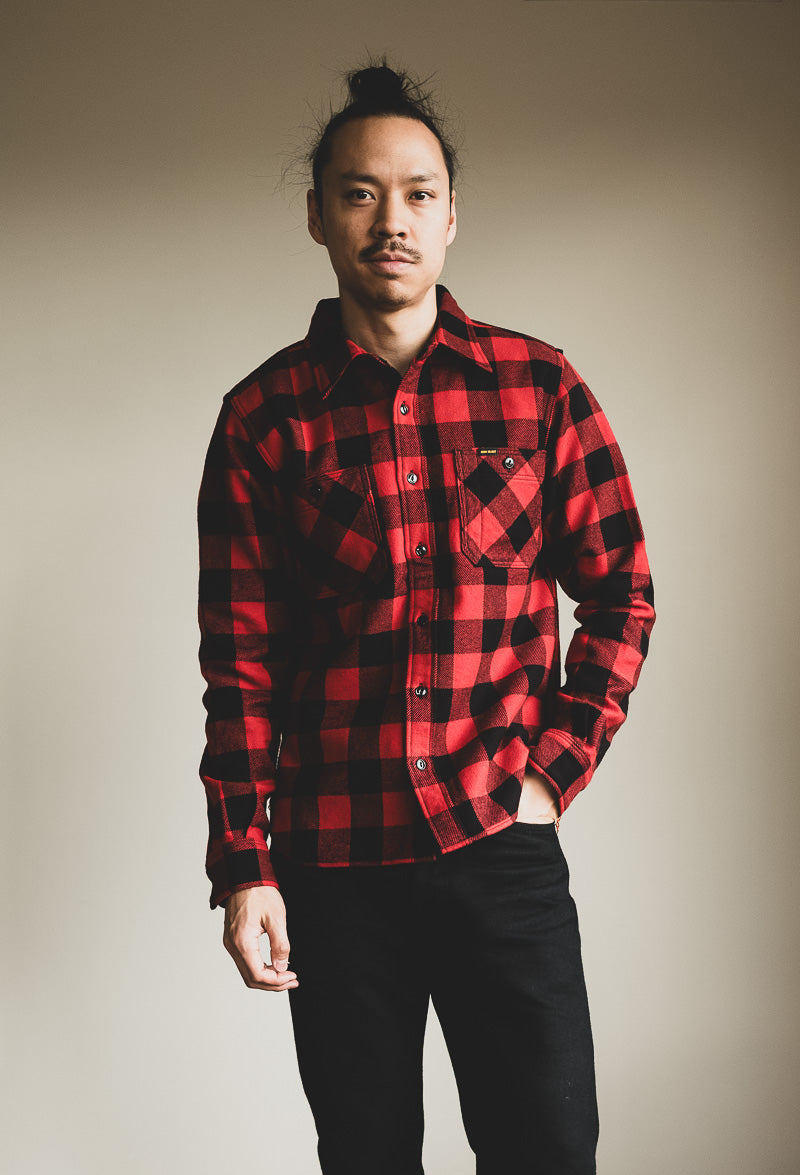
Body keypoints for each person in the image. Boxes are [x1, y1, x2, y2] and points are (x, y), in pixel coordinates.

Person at [197, 61, 655, 1175]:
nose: (389, 220)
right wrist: (245, 866)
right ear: (318, 215)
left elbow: (621, 591)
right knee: (365, 1157)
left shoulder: (538, 387)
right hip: (334, 866)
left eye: (416, 193)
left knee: (547, 1150)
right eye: (359, 193)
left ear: (451, 215)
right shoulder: (263, 419)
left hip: (500, 846)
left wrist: (550, 772)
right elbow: (240, 661)